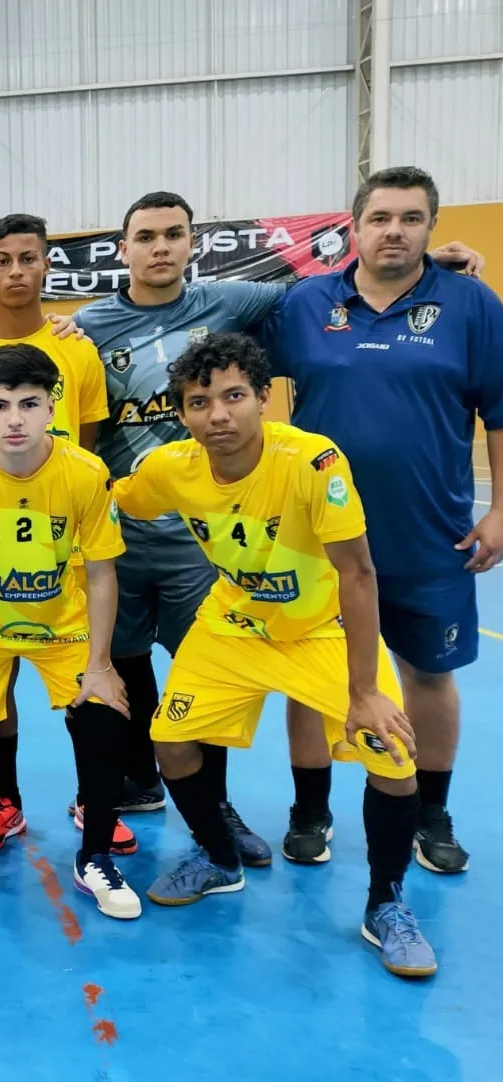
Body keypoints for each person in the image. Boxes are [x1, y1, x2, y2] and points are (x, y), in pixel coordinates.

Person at [80, 191, 482, 868]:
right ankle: (159, 798)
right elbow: (95, 470)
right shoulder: (90, 327)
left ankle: (329, 856)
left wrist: (421, 267)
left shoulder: (238, 321)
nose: (159, 247)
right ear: (122, 248)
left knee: (362, 724)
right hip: (143, 552)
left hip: (233, 577)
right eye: (144, 236)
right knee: (141, 682)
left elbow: (316, 291)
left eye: (173, 234)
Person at [115, 332, 436, 979]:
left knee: (395, 755)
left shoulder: (313, 462)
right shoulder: (169, 469)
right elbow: (115, 497)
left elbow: (360, 573)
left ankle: (387, 904)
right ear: (182, 413)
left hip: (321, 629)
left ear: (266, 399)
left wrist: (365, 690)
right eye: (200, 401)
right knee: (170, 741)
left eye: (235, 396)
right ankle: (217, 858)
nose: (219, 414)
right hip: (231, 627)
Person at [265, 166, 503, 873]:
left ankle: (431, 811)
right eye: (380, 218)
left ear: (432, 226)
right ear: (355, 226)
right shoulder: (305, 303)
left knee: (428, 675)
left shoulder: (470, 303)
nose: (394, 230)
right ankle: (310, 809)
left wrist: (501, 513)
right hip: (317, 539)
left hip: (431, 533)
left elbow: (499, 411)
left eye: (410, 218)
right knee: (311, 677)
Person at [0, 214, 129, 860]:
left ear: (47, 265)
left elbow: (89, 447)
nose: (16, 272)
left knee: (82, 683)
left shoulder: (77, 348)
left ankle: (86, 797)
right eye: (2, 260)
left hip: (64, 552)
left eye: (28, 259)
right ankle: (7, 798)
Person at [0, 344, 134, 924]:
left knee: (102, 717)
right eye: (0, 405)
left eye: (29, 404)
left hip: (61, 627)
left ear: (52, 409)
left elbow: (103, 572)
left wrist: (101, 663)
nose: (15, 418)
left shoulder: (86, 474)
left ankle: (96, 858)